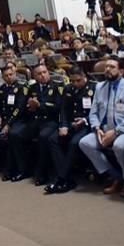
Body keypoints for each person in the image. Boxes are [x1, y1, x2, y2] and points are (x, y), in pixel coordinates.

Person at [78, 56, 124, 197]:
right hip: (104, 129)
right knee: (85, 142)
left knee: (119, 146)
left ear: (121, 71)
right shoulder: (100, 87)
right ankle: (116, 176)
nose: (107, 69)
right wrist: (97, 128)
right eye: (106, 67)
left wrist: (115, 132)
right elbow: (93, 113)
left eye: (112, 67)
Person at [46, 66, 95, 194]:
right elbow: (64, 110)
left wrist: (84, 120)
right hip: (71, 124)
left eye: (78, 80)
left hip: (87, 124)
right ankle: (67, 179)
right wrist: (63, 125)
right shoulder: (68, 89)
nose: (75, 84)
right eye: (73, 81)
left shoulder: (93, 88)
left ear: (84, 76)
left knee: (74, 143)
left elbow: (97, 112)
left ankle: (61, 179)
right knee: (53, 139)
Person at [25, 64, 62, 186]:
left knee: (43, 137)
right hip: (36, 119)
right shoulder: (32, 87)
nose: (43, 75)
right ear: (34, 76)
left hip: (52, 120)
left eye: (45, 72)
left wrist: (40, 105)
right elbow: (28, 105)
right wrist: (30, 107)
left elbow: (58, 108)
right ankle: (24, 168)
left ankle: (43, 173)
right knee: (17, 134)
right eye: (39, 74)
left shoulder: (57, 86)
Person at [0, 64, 31, 182]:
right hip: (6, 120)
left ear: (15, 74)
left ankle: (21, 169)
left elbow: (19, 108)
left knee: (13, 134)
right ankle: (5, 168)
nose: (9, 77)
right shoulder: (2, 89)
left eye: (11, 74)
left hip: (21, 120)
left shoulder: (23, 87)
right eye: (6, 76)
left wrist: (8, 124)